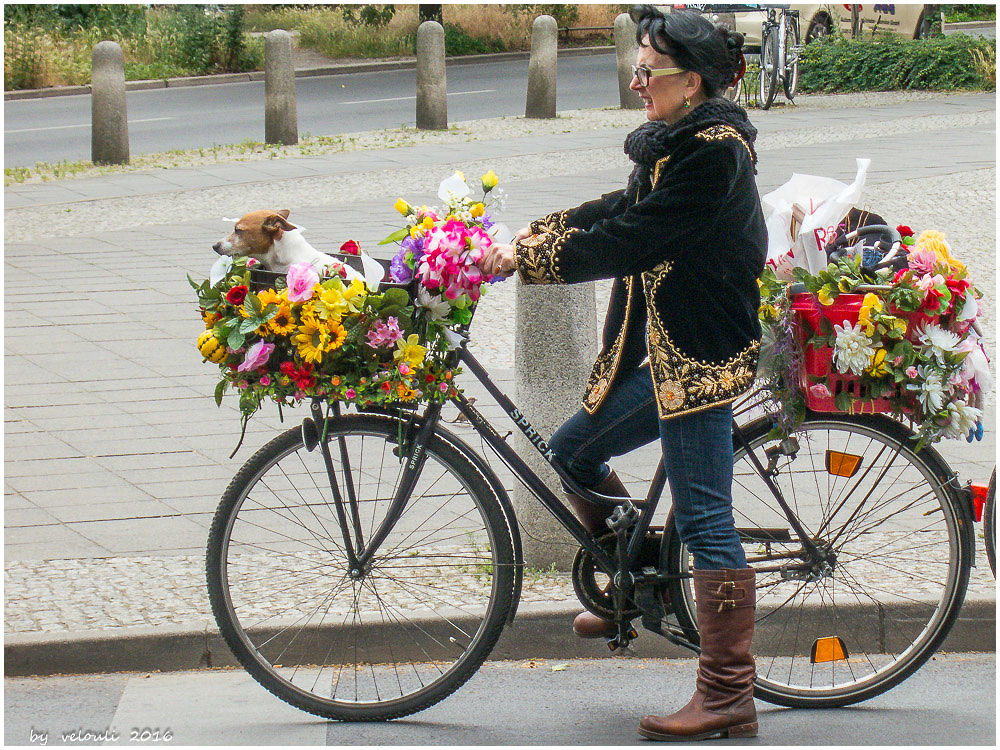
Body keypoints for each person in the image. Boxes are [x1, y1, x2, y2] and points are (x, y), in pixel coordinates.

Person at [478, 5, 767, 742]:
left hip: (698, 355)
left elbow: (635, 237)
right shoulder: (678, 142)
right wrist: (544, 228)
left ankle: (729, 695)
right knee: (573, 450)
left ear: (692, 82)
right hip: (662, 349)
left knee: (704, 519)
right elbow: (621, 207)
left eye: (648, 72)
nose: (637, 82)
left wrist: (534, 263)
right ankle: (632, 584)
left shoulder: (715, 152)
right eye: (636, 68)